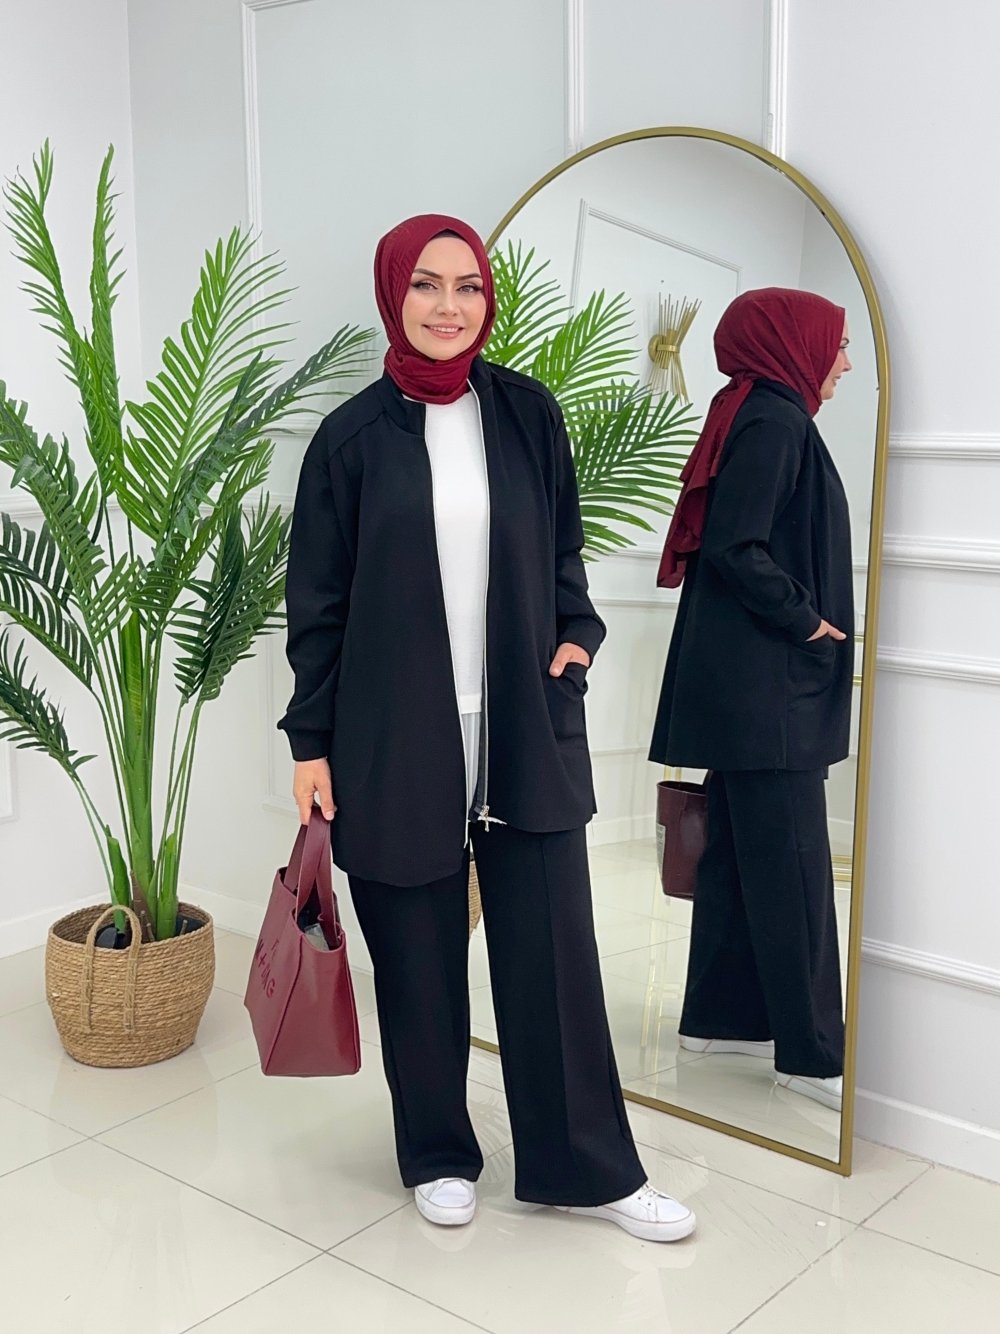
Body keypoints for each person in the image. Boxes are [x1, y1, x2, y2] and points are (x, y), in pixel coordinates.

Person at [278, 213, 695, 1241]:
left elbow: (562, 553)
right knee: (415, 953)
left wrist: (577, 637)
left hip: (522, 725)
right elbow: (317, 607)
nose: (449, 305)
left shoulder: (526, 415)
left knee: (553, 950)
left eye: (468, 286)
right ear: (394, 293)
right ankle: (436, 1151)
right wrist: (310, 742)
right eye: (427, 284)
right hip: (390, 736)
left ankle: (587, 1167)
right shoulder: (350, 441)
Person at [649, 287, 854, 1112]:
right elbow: (738, 545)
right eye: (837, 344)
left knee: (735, 860)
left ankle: (720, 1020)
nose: (844, 362)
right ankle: (813, 1056)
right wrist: (808, 622)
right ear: (792, 343)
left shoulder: (754, 410)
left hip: (746, 690)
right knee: (796, 869)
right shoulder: (775, 420)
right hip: (772, 693)